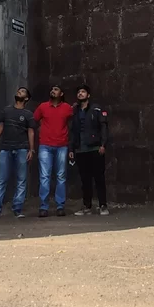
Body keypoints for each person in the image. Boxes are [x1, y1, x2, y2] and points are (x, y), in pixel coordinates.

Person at [0, 86, 35, 218]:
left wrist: (31, 149)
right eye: (18, 90)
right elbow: (1, 126)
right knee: (1, 180)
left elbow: (31, 132)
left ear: (26, 98)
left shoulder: (28, 114)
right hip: (5, 148)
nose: (19, 91)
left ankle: (17, 209)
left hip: (22, 149)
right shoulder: (6, 110)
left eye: (23, 91)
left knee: (21, 180)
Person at [68, 85, 109, 216]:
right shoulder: (75, 112)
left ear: (88, 95)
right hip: (80, 149)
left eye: (83, 92)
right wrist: (72, 148)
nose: (80, 94)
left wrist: (103, 144)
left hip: (95, 148)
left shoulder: (96, 110)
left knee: (99, 178)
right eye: (79, 92)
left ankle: (103, 205)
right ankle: (87, 206)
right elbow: (73, 131)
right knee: (85, 179)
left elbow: (103, 127)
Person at [33, 84, 73, 217]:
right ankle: (43, 207)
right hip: (45, 145)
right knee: (44, 177)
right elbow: (34, 121)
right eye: (52, 89)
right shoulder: (42, 107)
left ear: (61, 94)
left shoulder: (67, 108)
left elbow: (73, 123)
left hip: (62, 145)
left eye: (56, 89)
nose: (53, 91)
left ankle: (60, 206)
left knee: (61, 176)